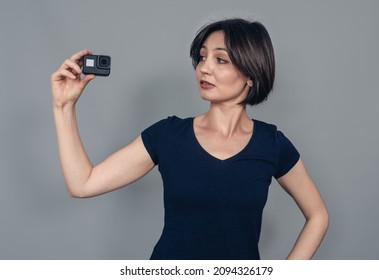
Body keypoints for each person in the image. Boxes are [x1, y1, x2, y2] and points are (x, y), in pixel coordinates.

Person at [51, 18, 328, 260]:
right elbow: (82, 183)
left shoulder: (272, 144)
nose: (204, 68)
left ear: (251, 75)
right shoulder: (167, 135)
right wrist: (64, 107)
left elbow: (318, 216)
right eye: (202, 57)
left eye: (220, 60)